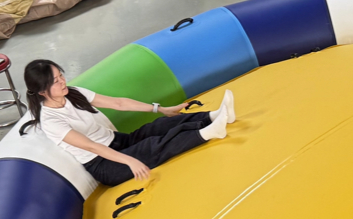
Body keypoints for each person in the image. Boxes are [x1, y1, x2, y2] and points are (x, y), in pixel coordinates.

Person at [20, 59, 235, 186]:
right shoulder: (50, 120)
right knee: (153, 147)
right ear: (42, 91)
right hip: (103, 163)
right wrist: (129, 161)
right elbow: (92, 147)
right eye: (55, 81)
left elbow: (119, 103)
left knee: (157, 126)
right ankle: (209, 132)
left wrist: (160, 109)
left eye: (61, 76)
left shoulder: (73, 93)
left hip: (117, 141)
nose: (62, 82)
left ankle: (212, 116)